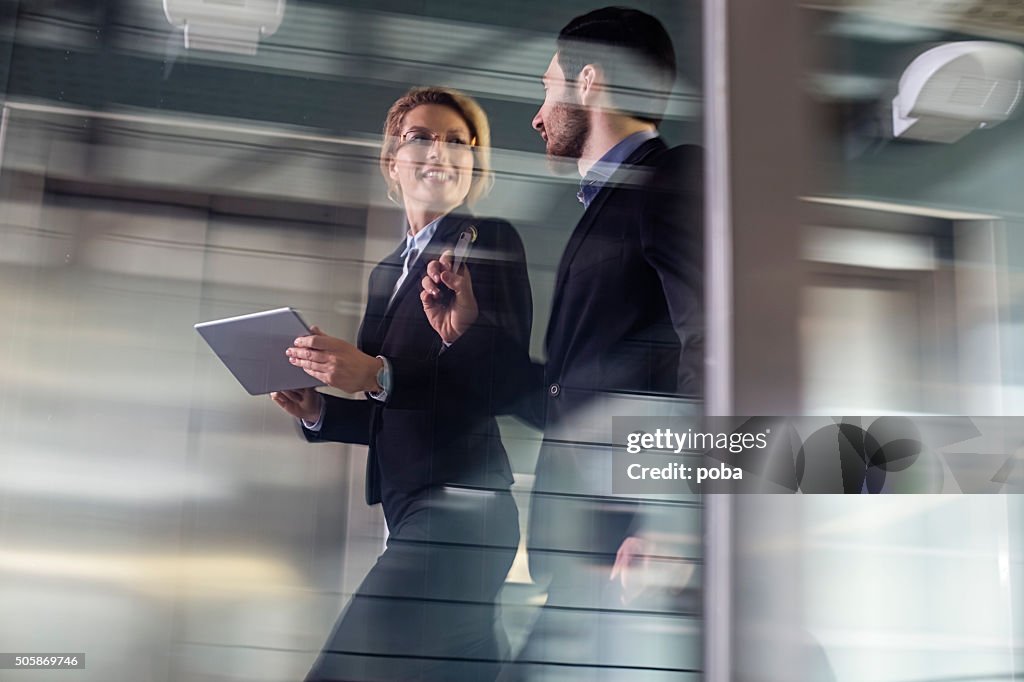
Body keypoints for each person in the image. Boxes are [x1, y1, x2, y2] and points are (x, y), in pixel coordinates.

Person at [420, 7, 703, 679]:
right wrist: (467, 336)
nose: (539, 115)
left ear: (590, 84)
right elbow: (572, 401)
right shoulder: (614, 206)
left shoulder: (669, 181)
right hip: (594, 545)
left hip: (632, 547)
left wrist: (672, 521)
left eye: (549, 89)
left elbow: (715, 347)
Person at [271, 86, 533, 682]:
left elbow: (497, 381)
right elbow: (398, 409)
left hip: (463, 510)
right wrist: (320, 411)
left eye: (457, 141)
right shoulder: (388, 273)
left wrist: (377, 374)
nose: (440, 150)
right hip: (410, 510)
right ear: (392, 161)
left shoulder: (486, 243)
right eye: (421, 136)